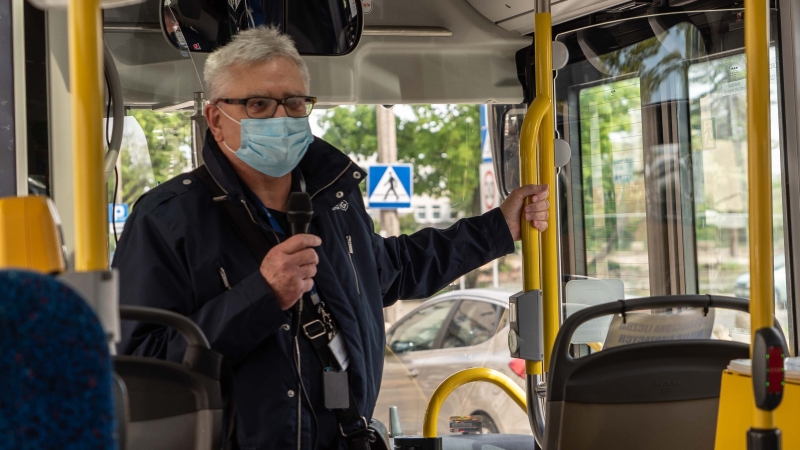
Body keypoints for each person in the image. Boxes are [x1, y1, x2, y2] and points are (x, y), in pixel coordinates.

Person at [114, 27, 550, 450]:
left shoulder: (332, 198)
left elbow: (388, 270)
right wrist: (260, 296)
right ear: (216, 119)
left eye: (294, 102)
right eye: (259, 105)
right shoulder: (167, 220)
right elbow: (145, 369)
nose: (281, 118)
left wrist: (499, 227)